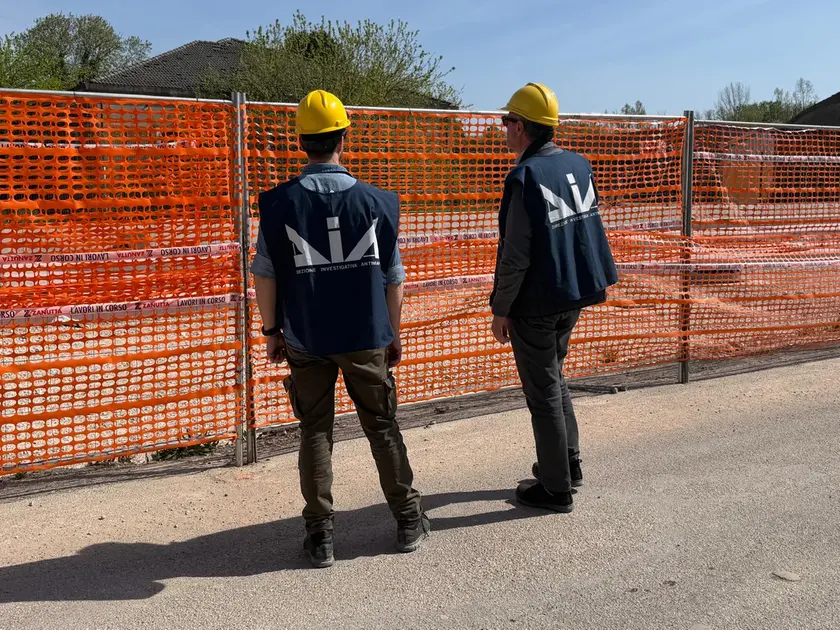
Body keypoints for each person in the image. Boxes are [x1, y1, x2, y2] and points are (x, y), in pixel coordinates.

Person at [251, 89, 429, 568]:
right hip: (366, 335)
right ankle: (408, 519)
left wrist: (272, 331)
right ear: (344, 138)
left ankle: (321, 536)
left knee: (315, 430)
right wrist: (393, 333)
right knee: (382, 426)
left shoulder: (278, 204)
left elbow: (264, 274)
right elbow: (394, 278)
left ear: (301, 142)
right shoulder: (377, 202)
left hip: (305, 337)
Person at [490, 82, 618, 513]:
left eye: (507, 121)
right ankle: (567, 463)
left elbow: (515, 254)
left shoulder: (525, 176)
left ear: (521, 126)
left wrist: (501, 308)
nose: (504, 128)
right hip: (573, 293)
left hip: (538, 301)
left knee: (542, 391)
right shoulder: (578, 164)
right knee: (554, 378)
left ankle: (555, 487)